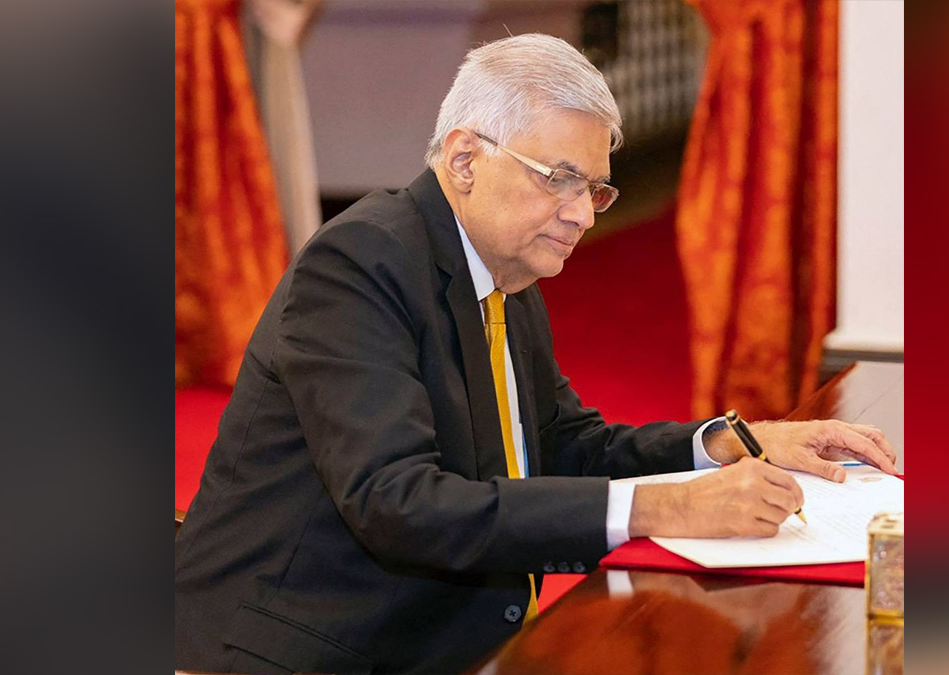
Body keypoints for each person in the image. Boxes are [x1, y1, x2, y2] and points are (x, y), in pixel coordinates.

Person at [174, 33, 897, 675]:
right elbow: (397, 502)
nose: (581, 214)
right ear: (465, 158)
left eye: (594, 189)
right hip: (308, 651)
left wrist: (734, 443)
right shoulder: (360, 264)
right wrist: (668, 507)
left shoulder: (504, 269)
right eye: (558, 179)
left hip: (437, 638)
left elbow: (563, 444)